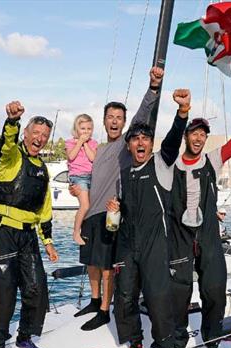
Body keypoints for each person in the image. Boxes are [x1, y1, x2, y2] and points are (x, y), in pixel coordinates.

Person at [168, 81, 231, 348]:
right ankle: (177, 342)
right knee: (179, 292)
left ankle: (211, 339)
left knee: (214, 289)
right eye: (194, 133)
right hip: (180, 236)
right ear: (186, 136)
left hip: (208, 234)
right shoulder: (170, 163)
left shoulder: (213, 159)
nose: (198, 138)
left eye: (203, 135)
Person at [107, 88, 191, 348]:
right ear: (128, 145)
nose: (140, 143)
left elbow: (173, 139)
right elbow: (118, 222)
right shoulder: (126, 173)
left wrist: (182, 113)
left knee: (157, 300)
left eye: (144, 139)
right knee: (125, 297)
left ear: (150, 144)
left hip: (156, 245)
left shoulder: (161, 163)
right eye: (135, 139)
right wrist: (114, 211)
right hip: (128, 246)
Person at [70, 67, 165, 332]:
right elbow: (82, 173)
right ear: (103, 121)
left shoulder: (126, 144)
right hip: (90, 213)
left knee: (107, 266)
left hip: (109, 213)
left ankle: (103, 311)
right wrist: (75, 188)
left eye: (119, 118)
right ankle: (94, 299)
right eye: (110, 117)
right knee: (90, 262)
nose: (114, 121)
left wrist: (153, 87)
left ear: (124, 123)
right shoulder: (97, 149)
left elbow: (143, 114)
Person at [0, 102, 59, 348]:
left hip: (28, 237)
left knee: (36, 289)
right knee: (3, 292)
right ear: (26, 134)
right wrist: (12, 121)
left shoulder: (43, 168)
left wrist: (48, 241)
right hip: (4, 232)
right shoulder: (11, 157)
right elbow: (6, 142)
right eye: (35, 133)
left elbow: (45, 207)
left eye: (44, 135)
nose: (39, 139)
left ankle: (25, 339)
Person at [66, 114, 98, 245]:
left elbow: (93, 158)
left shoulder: (93, 143)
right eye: (83, 128)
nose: (86, 131)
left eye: (89, 129)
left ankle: (87, 230)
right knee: (85, 205)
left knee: (90, 207)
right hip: (78, 177)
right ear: (76, 129)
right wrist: (79, 142)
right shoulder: (70, 142)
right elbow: (71, 156)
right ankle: (75, 232)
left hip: (91, 176)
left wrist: (85, 144)